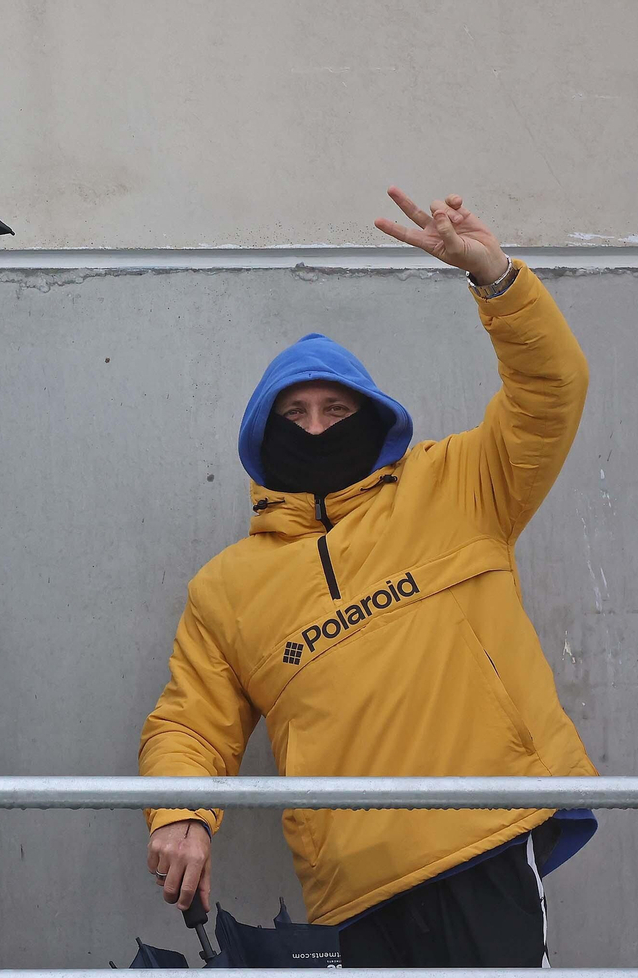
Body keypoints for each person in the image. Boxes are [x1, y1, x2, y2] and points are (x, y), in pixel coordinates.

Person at [139, 188, 597, 968]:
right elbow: (190, 724)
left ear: (374, 417)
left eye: (336, 411)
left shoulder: (458, 484)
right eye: (295, 416)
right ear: (262, 435)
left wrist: (496, 281)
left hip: (483, 840)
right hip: (352, 893)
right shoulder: (227, 587)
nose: (316, 429)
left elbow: (551, 395)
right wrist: (180, 812)